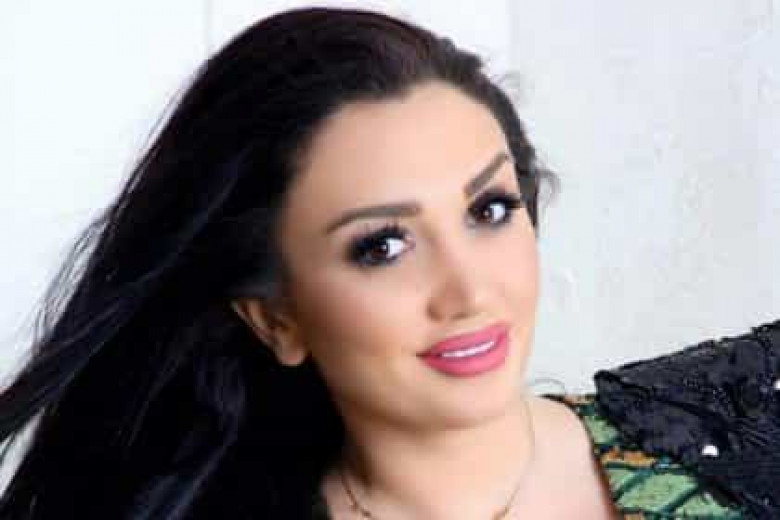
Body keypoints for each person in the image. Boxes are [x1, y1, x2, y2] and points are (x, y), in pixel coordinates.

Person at [0, 6, 777, 519]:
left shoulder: (749, 420)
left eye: (489, 210)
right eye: (382, 246)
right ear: (276, 318)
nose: (468, 291)